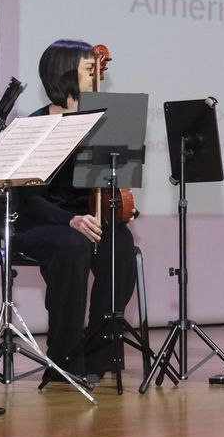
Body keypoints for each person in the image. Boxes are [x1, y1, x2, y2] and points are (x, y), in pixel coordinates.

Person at [11, 39, 141, 387]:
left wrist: (119, 200)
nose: (97, 75)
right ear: (64, 73)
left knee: (121, 242)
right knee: (73, 244)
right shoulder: (35, 126)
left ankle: (100, 352)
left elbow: (107, 185)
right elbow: (29, 199)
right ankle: (64, 358)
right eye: (89, 69)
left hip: (84, 218)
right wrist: (69, 219)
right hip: (41, 221)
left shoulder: (100, 122)